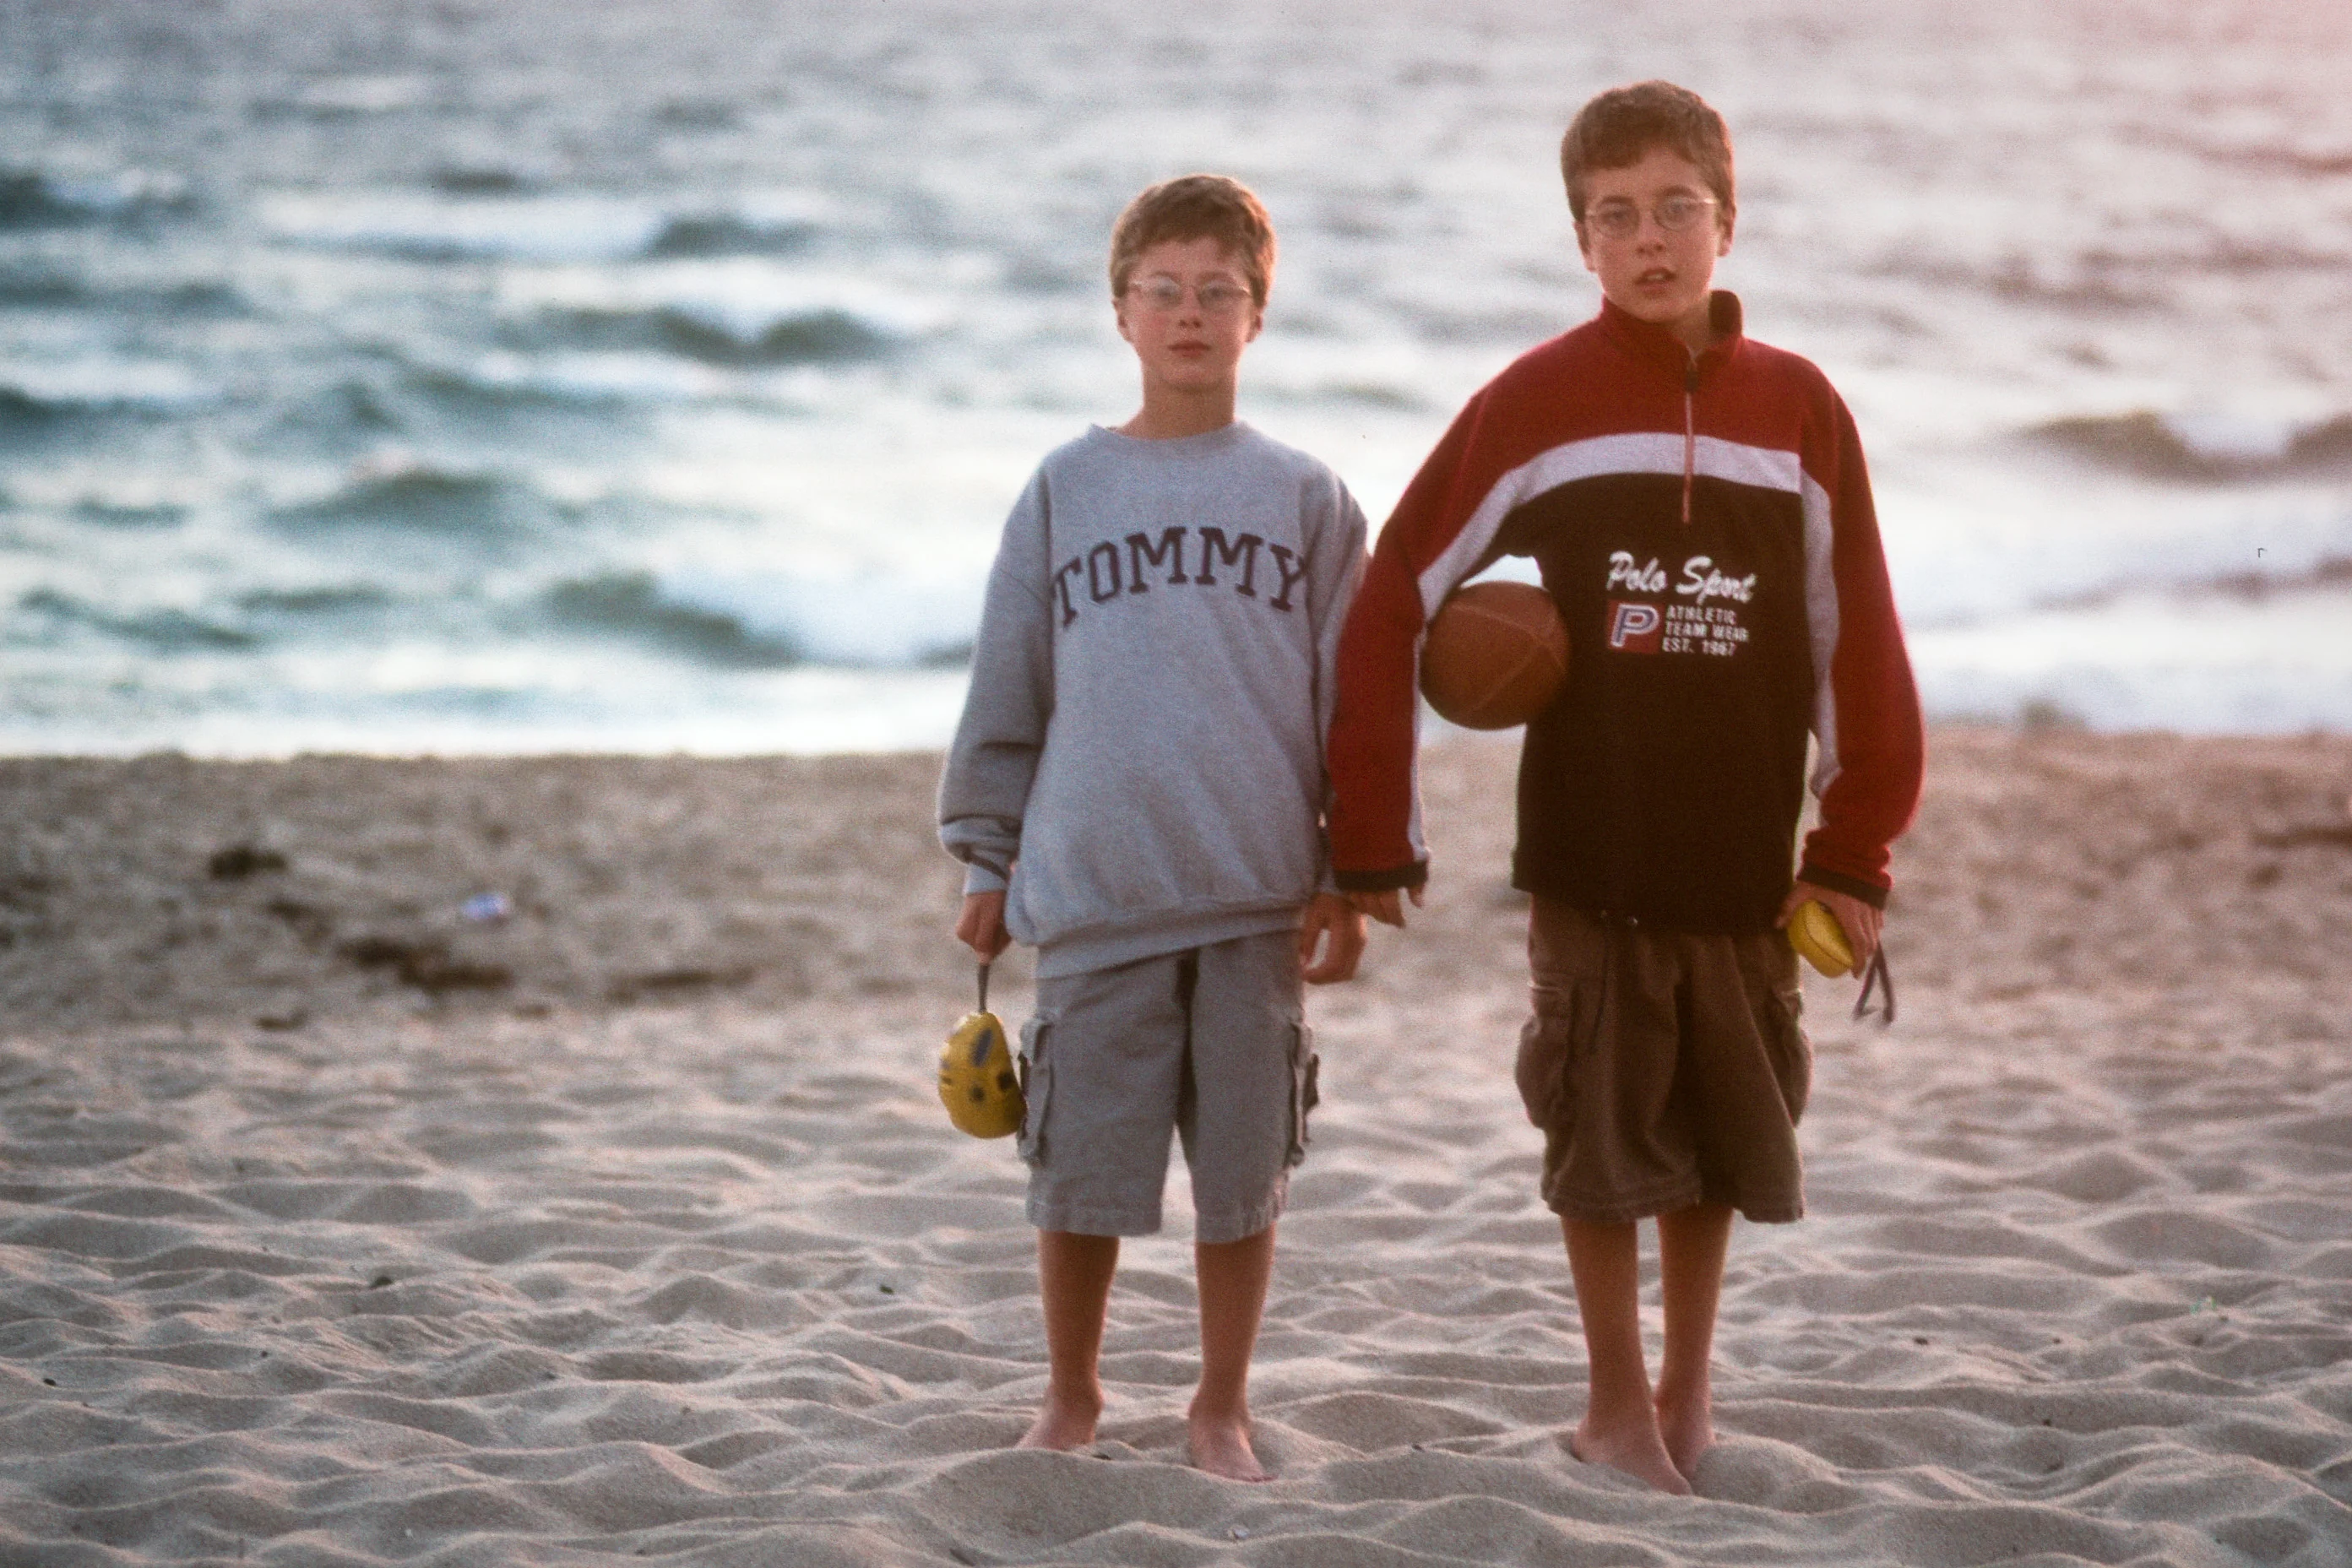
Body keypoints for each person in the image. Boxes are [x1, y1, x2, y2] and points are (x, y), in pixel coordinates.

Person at [1324, 82, 1924, 1494]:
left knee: (1717, 1133)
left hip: (1744, 858)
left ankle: (1685, 1396)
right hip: (1590, 850)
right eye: (1614, 216)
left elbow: (1858, 635)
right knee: (1600, 1132)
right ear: (1580, 242)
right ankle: (1611, 1405)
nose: (1648, 240)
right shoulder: (1537, 402)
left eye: (1674, 209)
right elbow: (1392, 594)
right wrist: (1371, 839)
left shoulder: (1799, 408)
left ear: (1727, 219)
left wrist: (1854, 847)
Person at [938, 173, 1370, 1482]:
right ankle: (1071, 1394)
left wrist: (1352, 868)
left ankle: (1219, 1406)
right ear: (1121, 314)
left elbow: (1356, 703)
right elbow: (1009, 683)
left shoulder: (1305, 496)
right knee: (1076, 1169)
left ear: (1258, 316)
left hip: (1252, 899)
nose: (1191, 313)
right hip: (1098, 889)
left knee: (1242, 1179)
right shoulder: (1067, 487)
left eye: (1219, 293)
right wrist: (985, 851)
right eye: (1164, 291)